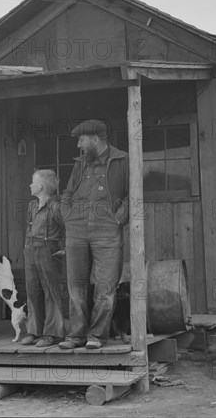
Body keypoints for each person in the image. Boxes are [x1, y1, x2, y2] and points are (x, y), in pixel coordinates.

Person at [58, 120, 129, 350]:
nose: (79, 144)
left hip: (107, 232)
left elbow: (132, 195)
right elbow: (68, 192)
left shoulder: (122, 160)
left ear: (94, 139)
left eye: (81, 139)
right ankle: (77, 335)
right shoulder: (80, 164)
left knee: (105, 286)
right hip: (76, 230)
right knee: (75, 285)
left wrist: (116, 219)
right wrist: (67, 215)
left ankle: (97, 336)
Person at [21, 169, 66, 347]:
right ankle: (34, 331)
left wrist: (65, 248)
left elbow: (69, 227)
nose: (30, 185)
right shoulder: (32, 205)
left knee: (50, 291)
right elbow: (28, 228)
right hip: (31, 249)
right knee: (33, 290)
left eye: (32, 182)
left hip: (49, 250)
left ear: (40, 186)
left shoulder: (57, 205)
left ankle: (52, 334)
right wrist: (26, 247)